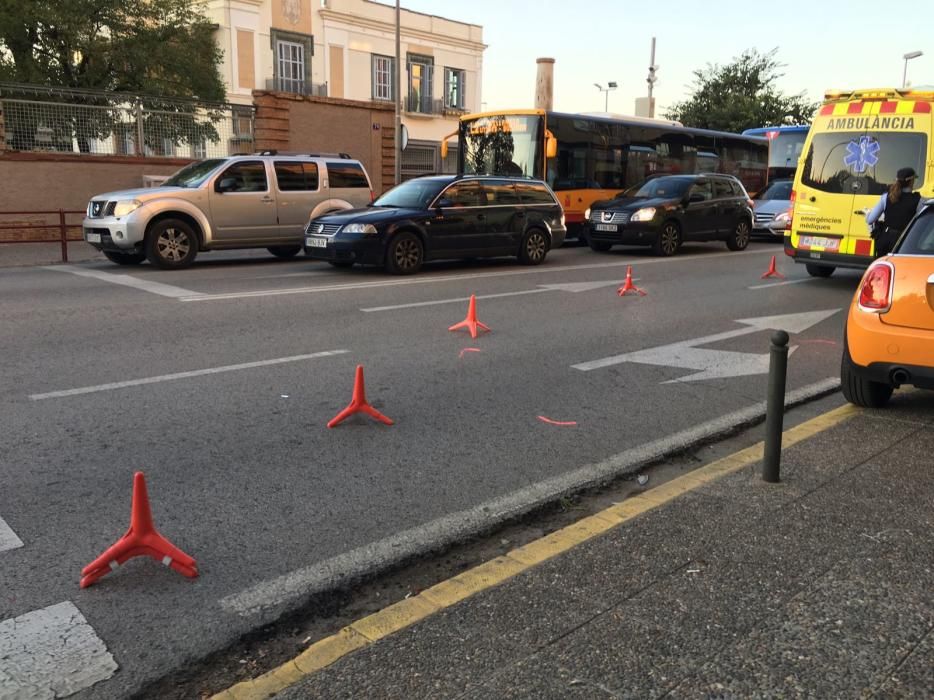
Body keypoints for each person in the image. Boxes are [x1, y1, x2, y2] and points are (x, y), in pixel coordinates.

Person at [866, 167, 923, 256]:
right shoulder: (918, 200)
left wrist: (868, 212)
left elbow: (870, 220)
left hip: (885, 241)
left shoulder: (886, 197)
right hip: (905, 242)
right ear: (911, 181)